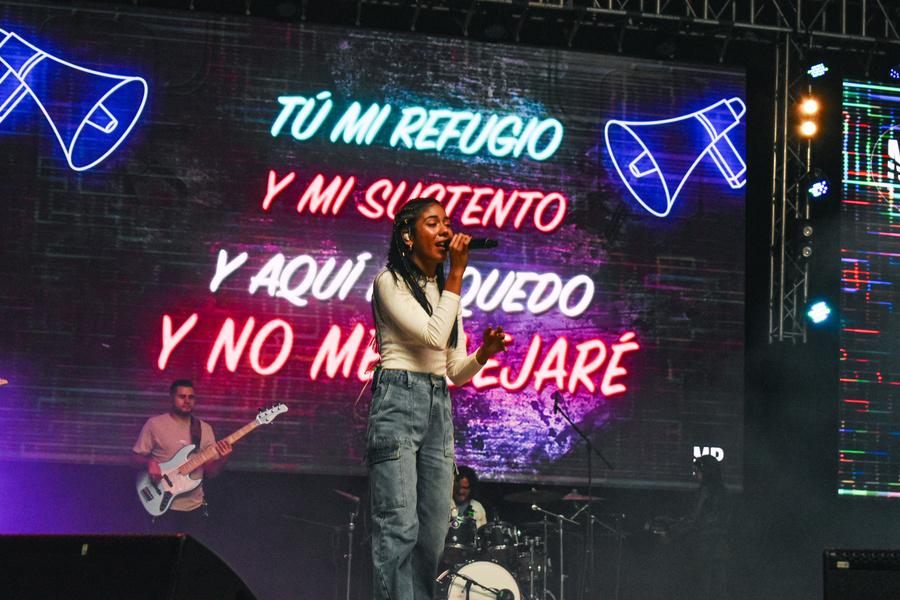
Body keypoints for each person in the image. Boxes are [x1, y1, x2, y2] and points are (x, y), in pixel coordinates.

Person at [367, 198, 510, 600]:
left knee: (432, 532)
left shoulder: (445, 293)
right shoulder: (389, 282)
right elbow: (432, 335)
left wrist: (484, 353)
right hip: (397, 398)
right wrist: (458, 274)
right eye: (433, 223)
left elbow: (455, 370)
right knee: (399, 526)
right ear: (408, 236)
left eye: (447, 222)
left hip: (437, 403)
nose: (446, 230)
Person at [131, 379, 232, 534]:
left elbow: (211, 473)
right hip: (163, 505)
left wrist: (224, 458)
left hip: (194, 507)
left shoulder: (204, 429)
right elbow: (134, 459)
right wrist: (150, 463)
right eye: (182, 396)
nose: (187, 401)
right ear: (171, 398)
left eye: (191, 397)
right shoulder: (155, 424)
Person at [664, 454, 731, 600]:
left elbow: (693, 518)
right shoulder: (723, 491)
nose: (696, 475)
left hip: (704, 546)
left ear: (705, 471)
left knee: (701, 589)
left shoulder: (705, 490)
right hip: (720, 547)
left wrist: (671, 532)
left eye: (697, 471)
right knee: (719, 589)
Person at [451, 465, 487, 529]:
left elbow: (484, 531)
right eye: (457, 487)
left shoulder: (478, 507)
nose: (460, 491)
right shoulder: (444, 505)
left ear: (471, 488)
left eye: (465, 488)